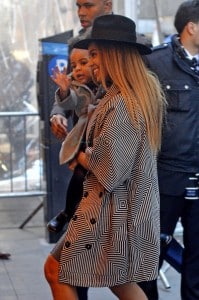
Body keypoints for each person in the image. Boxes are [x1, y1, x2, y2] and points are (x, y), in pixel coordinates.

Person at [44, 14, 166, 300]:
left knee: (55, 270)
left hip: (110, 213)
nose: (92, 62)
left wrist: (78, 155)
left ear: (114, 54)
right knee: (117, 281)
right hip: (111, 211)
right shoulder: (124, 95)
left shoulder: (124, 102)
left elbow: (110, 172)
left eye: (95, 54)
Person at [143, 1, 199, 299]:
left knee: (197, 264)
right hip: (166, 180)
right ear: (192, 27)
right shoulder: (155, 62)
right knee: (151, 259)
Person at [48, 0, 113, 233]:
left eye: (88, 5)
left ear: (107, 5)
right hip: (85, 144)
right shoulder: (76, 45)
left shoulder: (132, 44)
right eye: (77, 6)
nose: (81, 12)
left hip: (112, 156)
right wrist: (57, 115)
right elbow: (70, 90)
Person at [47, 47, 99, 233]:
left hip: (105, 143)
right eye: (74, 65)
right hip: (84, 141)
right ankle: (67, 213)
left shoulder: (108, 82)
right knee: (78, 175)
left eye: (83, 63)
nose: (77, 69)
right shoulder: (74, 85)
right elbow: (66, 104)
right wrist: (63, 92)